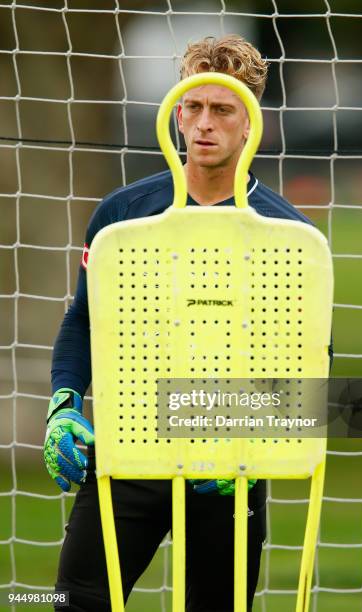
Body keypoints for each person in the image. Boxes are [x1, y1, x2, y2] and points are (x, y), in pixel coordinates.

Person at [44, 35, 317, 611]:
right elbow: (82, 322)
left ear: (251, 124)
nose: (203, 124)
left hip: (229, 467)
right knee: (73, 599)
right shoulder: (121, 215)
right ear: (174, 113)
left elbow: (312, 366)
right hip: (128, 450)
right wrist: (63, 405)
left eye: (222, 110)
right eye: (192, 107)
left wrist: (236, 434)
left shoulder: (285, 233)